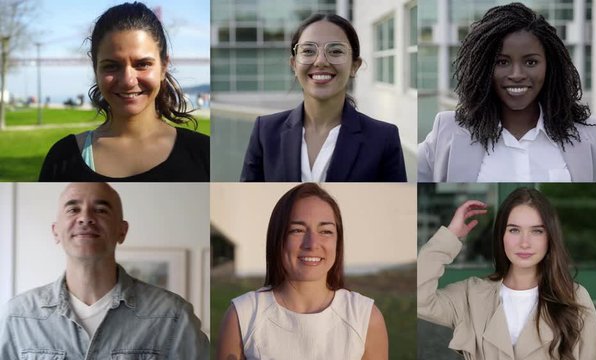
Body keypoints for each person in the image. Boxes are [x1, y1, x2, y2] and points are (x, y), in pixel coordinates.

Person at [418, 2, 596, 182]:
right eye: (502, 62)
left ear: (550, 66)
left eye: (531, 62)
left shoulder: (588, 134)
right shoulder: (447, 131)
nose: (517, 74)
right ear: (484, 68)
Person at [0, 183, 209, 358]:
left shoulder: (173, 315)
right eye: (73, 209)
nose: (85, 218)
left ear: (122, 230)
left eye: (100, 210)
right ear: (56, 231)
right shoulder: (18, 316)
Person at [418, 187, 596, 359]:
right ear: (501, 235)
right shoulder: (471, 295)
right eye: (514, 230)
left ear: (550, 238)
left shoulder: (574, 297)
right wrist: (450, 236)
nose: (524, 243)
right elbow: (419, 298)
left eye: (537, 231)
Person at [39, 2, 209, 181]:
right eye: (112, 66)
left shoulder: (204, 154)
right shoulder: (62, 158)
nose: (128, 81)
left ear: (164, 66)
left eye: (142, 64)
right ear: (95, 69)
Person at [216, 183, 389, 359]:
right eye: (297, 230)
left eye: (326, 231)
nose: (312, 244)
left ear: (338, 241)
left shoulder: (365, 318)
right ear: (278, 238)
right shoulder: (242, 315)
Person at [240, 14, 406, 182]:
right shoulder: (265, 131)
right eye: (308, 51)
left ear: (354, 66)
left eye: (335, 51)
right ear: (294, 65)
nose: (320, 61)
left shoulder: (383, 138)